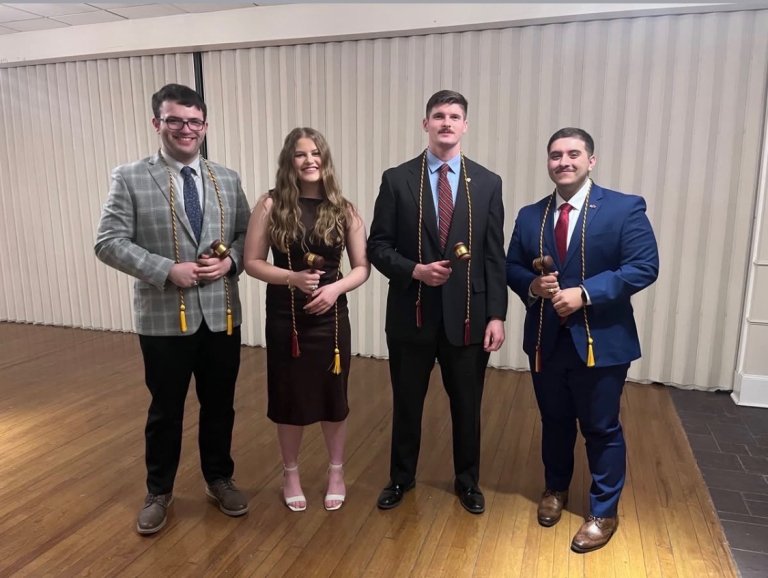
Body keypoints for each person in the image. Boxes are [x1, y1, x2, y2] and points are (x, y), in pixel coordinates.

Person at [95, 83, 251, 535]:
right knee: (166, 407)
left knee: (220, 404)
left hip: (221, 314)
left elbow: (245, 236)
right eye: (175, 120)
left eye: (194, 121)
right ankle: (159, 490)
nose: (186, 129)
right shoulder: (129, 176)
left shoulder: (227, 177)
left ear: (205, 126)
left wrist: (231, 261)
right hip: (164, 318)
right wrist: (167, 269)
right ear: (157, 123)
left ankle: (219, 478)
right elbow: (108, 242)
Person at [506, 127, 659, 552]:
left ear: (591, 160)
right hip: (545, 340)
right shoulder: (529, 215)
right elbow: (512, 266)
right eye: (555, 155)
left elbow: (644, 266)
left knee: (601, 427)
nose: (563, 162)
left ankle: (603, 511)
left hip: (601, 342)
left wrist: (586, 293)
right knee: (554, 422)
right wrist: (531, 286)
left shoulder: (624, 208)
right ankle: (555, 489)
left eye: (573, 154)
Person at [367, 90, 507, 514]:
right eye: (439, 116)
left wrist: (497, 315)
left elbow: (493, 255)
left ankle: (468, 482)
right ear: (425, 123)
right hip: (412, 314)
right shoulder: (397, 179)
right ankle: (401, 478)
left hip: (468, 316)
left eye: (455, 116)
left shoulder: (487, 182)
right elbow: (378, 246)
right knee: (407, 403)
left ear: (466, 125)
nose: (447, 123)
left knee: (467, 406)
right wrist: (415, 270)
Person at [244, 127, 369, 512]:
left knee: (334, 397)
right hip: (287, 316)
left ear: (325, 159)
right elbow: (251, 262)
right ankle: (291, 472)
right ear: (290, 161)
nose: (310, 160)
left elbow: (362, 267)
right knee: (290, 397)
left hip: (330, 319)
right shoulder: (270, 204)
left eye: (316, 153)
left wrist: (334, 290)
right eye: (300, 154)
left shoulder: (343, 208)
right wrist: (292, 278)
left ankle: (336, 471)